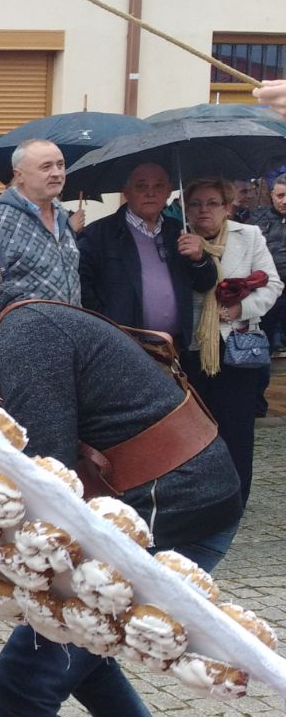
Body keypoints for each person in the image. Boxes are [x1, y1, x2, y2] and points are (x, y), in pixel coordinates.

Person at [0, 233, 242, 717]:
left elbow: (44, 483)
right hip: (169, 499)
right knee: (86, 658)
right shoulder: (4, 330)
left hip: (175, 506)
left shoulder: (23, 335)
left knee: (24, 681)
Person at [182, 177, 281, 509]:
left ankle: (236, 499)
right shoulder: (179, 240)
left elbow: (273, 284)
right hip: (192, 349)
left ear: (227, 207)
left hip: (236, 346)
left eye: (212, 203)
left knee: (236, 428)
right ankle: (202, 497)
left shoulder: (248, 236)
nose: (203, 210)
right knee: (196, 430)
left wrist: (242, 308)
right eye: (196, 204)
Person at [78, 162, 216, 355]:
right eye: (141, 186)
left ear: (169, 191)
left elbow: (205, 283)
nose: (150, 193)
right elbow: (82, 284)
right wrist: (106, 321)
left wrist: (199, 259)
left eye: (159, 186)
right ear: (126, 192)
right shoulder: (99, 234)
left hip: (174, 347)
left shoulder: (177, 230)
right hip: (122, 346)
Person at [0, 139, 82, 305]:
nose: (57, 173)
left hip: (70, 327)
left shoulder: (62, 217)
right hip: (20, 329)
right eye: (46, 167)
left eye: (60, 165)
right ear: (19, 175)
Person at [247, 173, 286, 352]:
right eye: (280, 196)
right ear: (271, 195)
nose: (284, 201)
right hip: (266, 287)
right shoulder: (257, 219)